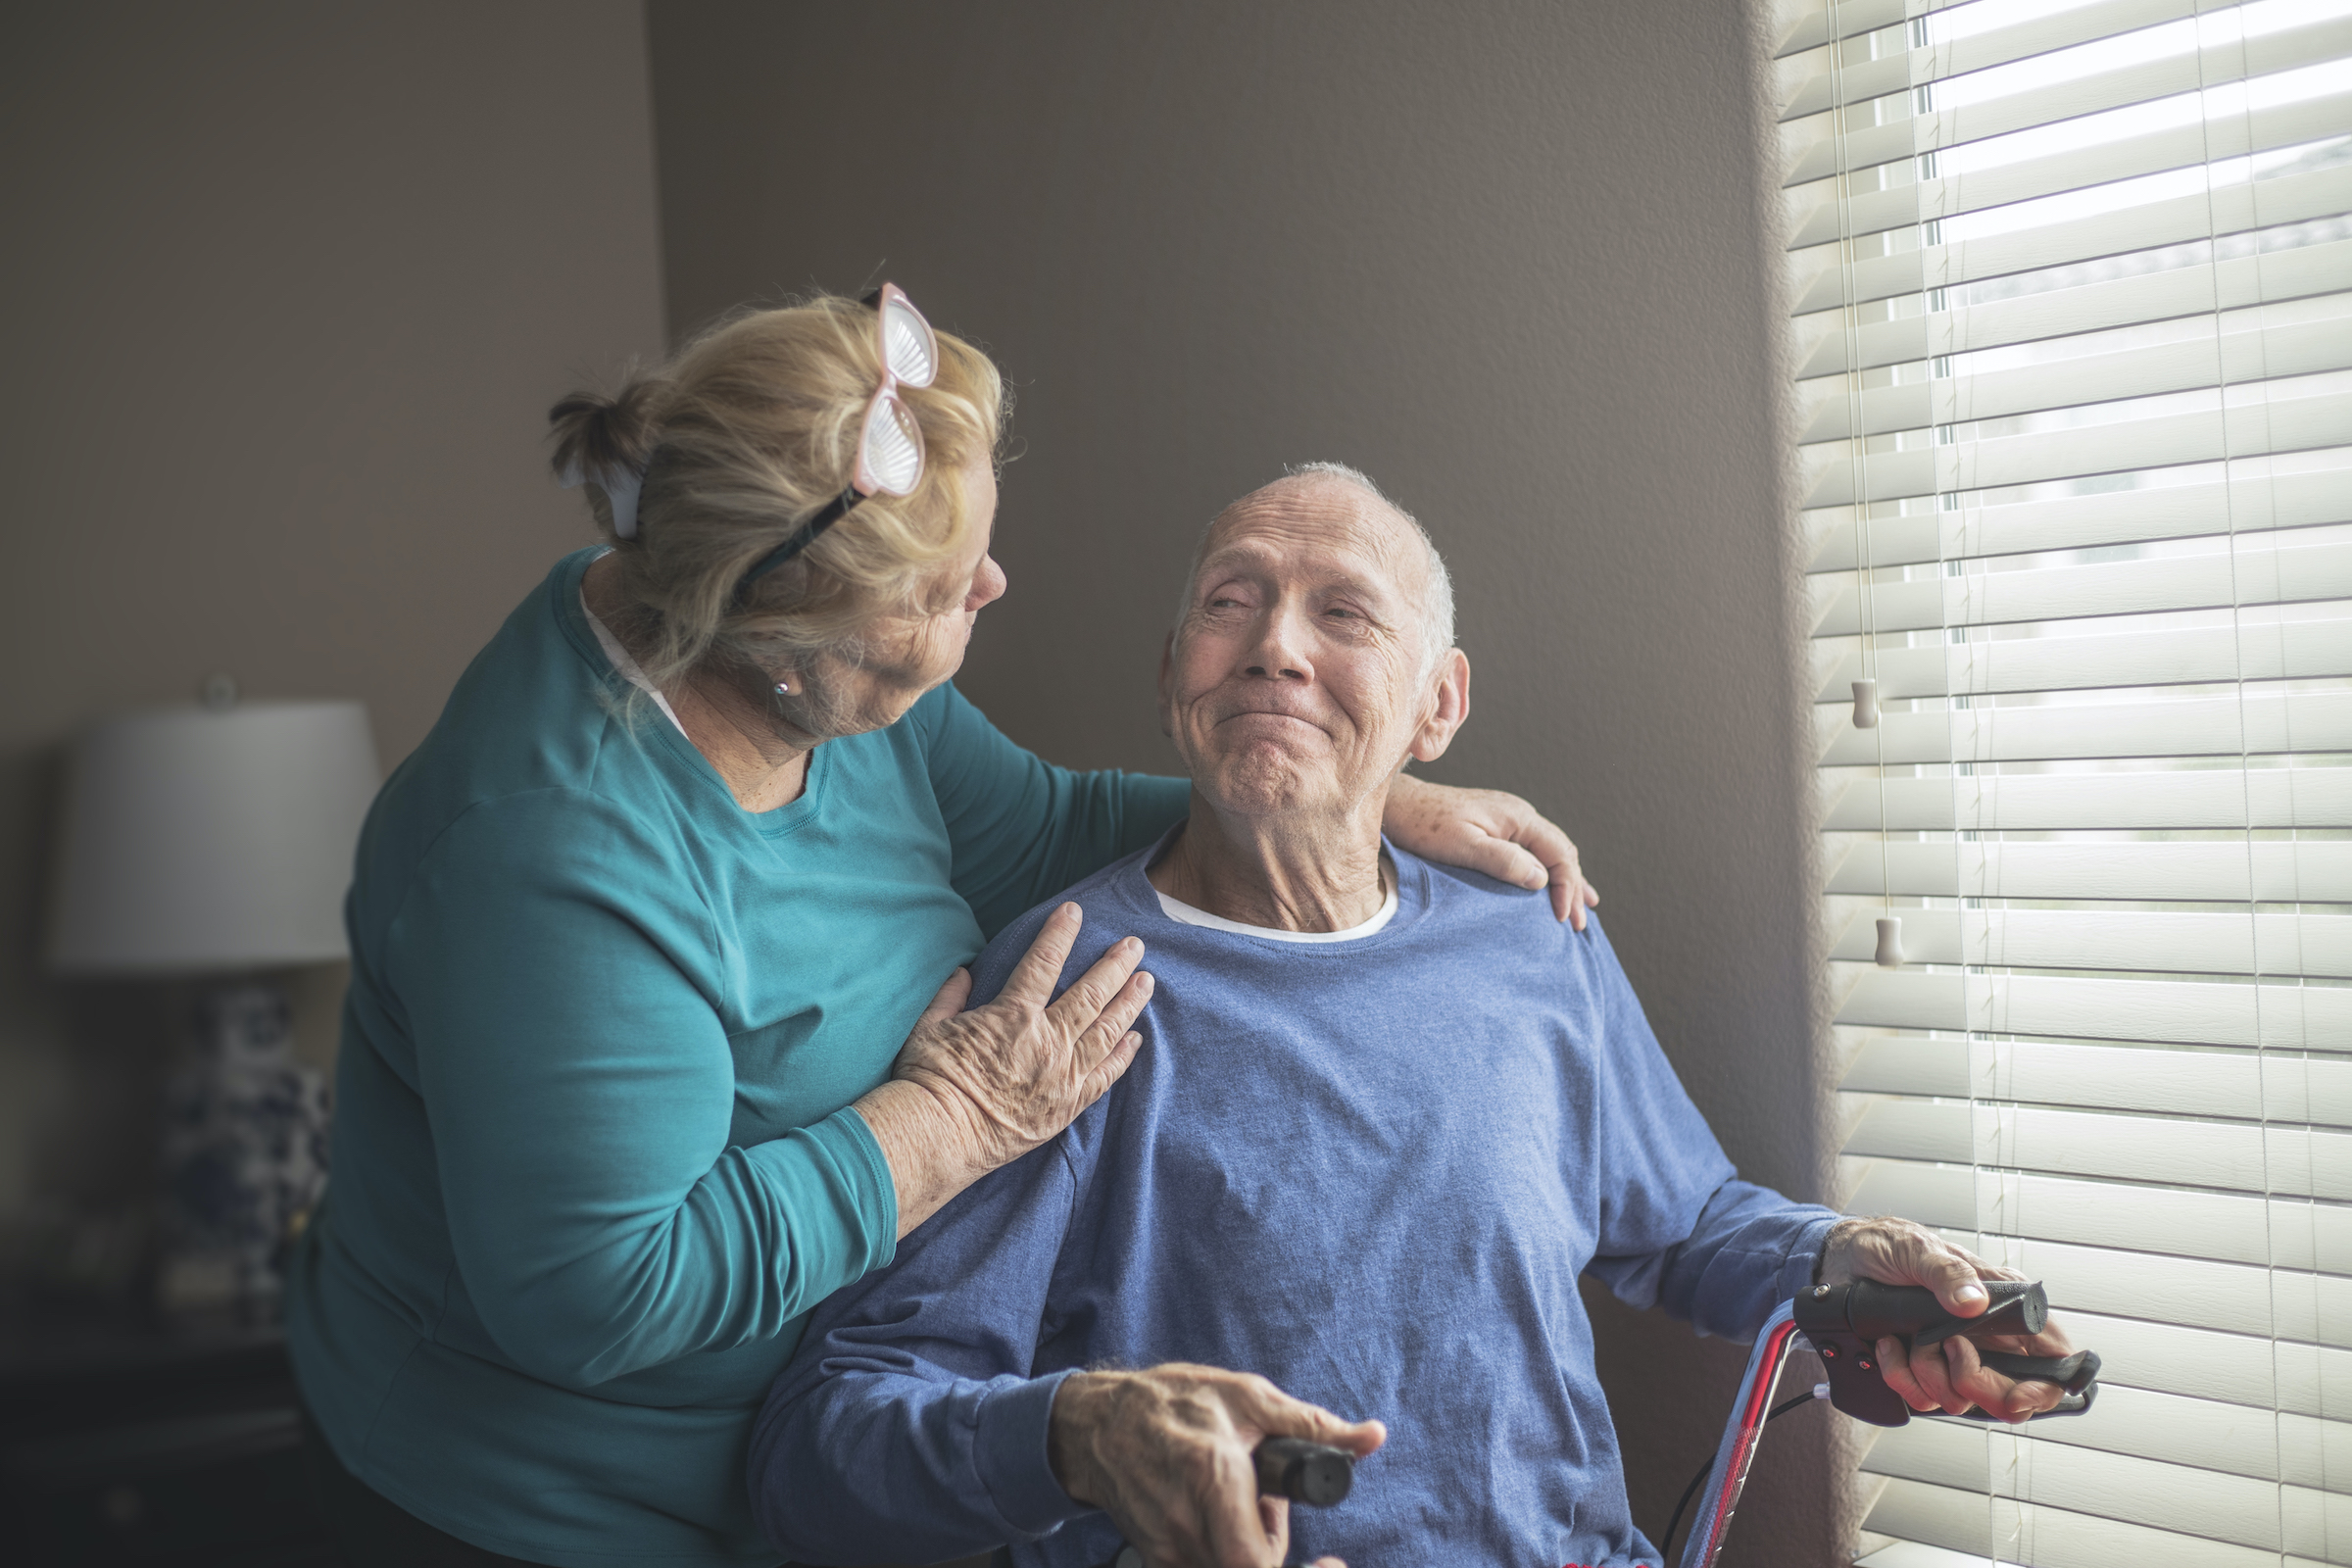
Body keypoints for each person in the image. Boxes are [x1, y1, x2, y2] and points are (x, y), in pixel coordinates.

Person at [283, 291, 1600, 1568]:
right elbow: (609, 1289)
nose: (989, 581)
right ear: (777, 632)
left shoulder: (786, 659)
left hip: (794, 1469)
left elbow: (1043, 825)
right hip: (542, 1510)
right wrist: (949, 1126)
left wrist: (1357, 791)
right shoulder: (546, 853)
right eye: (932, 588)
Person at [754, 465, 2078, 1568]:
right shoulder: (1061, 1000)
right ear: (1175, 674)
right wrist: (1078, 1431)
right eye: (1234, 602)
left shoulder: (1530, 939)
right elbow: (827, 1445)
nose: (1277, 644)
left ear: (1438, 705)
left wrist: (1851, 1263)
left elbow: (1681, 1221)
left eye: (1343, 613)